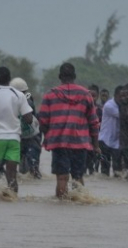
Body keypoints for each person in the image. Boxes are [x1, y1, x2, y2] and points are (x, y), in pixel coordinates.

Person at [38, 63, 101, 198]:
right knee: (78, 177)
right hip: (80, 142)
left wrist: (48, 137)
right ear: (74, 76)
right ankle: (80, 204)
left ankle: (61, 208)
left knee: (62, 178)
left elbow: (42, 121)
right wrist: (95, 145)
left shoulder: (49, 95)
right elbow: (94, 122)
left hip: (59, 142)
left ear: (60, 76)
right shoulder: (86, 95)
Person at [10, 77, 42, 179]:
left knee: (32, 164)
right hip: (20, 135)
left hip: (29, 135)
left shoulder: (27, 101)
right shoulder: (16, 101)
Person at [98, 85, 123, 177]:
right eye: (121, 96)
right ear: (116, 95)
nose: (123, 98)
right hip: (105, 141)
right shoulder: (109, 105)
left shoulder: (121, 105)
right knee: (105, 170)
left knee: (117, 170)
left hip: (116, 142)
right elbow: (124, 116)